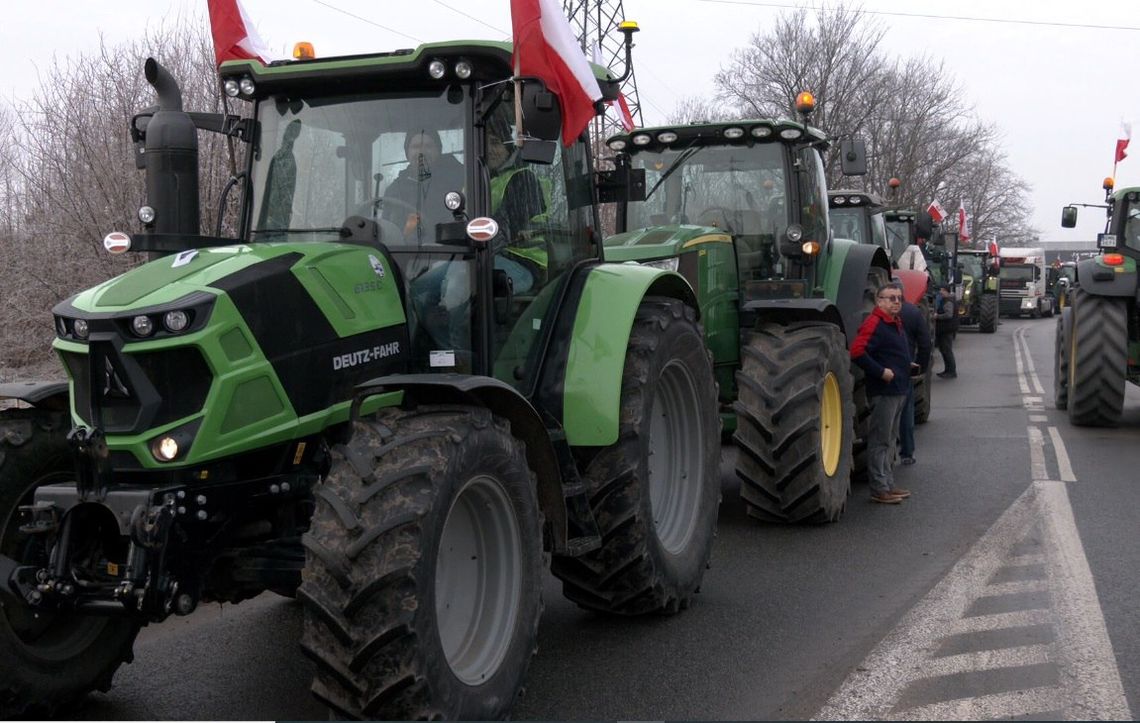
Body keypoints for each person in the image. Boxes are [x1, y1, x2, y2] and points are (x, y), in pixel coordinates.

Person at [851, 281, 914, 504]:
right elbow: (857, 351)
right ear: (879, 301)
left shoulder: (894, 323)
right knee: (880, 440)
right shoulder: (875, 322)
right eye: (891, 298)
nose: (896, 302)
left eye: (899, 298)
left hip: (899, 390)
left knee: (890, 439)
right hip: (885, 391)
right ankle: (879, 488)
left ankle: (888, 484)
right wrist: (881, 372)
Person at [382, 129, 466, 241]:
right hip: (402, 253)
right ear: (407, 153)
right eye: (415, 147)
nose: (421, 152)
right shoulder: (394, 190)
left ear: (438, 151)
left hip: (450, 252)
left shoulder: (458, 181)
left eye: (428, 146)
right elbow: (387, 232)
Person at [898, 294, 933, 466]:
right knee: (906, 412)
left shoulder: (880, 313)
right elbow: (925, 343)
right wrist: (921, 367)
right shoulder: (913, 312)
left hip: (883, 367)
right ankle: (907, 452)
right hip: (906, 368)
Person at [934, 283, 958, 378]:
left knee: (947, 351)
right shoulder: (947, 300)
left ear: (946, 291)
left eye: (942, 290)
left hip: (946, 329)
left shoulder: (948, 301)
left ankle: (951, 371)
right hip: (944, 329)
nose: (940, 292)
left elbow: (949, 315)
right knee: (944, 350)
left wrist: (937, 316)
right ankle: (947, 370)